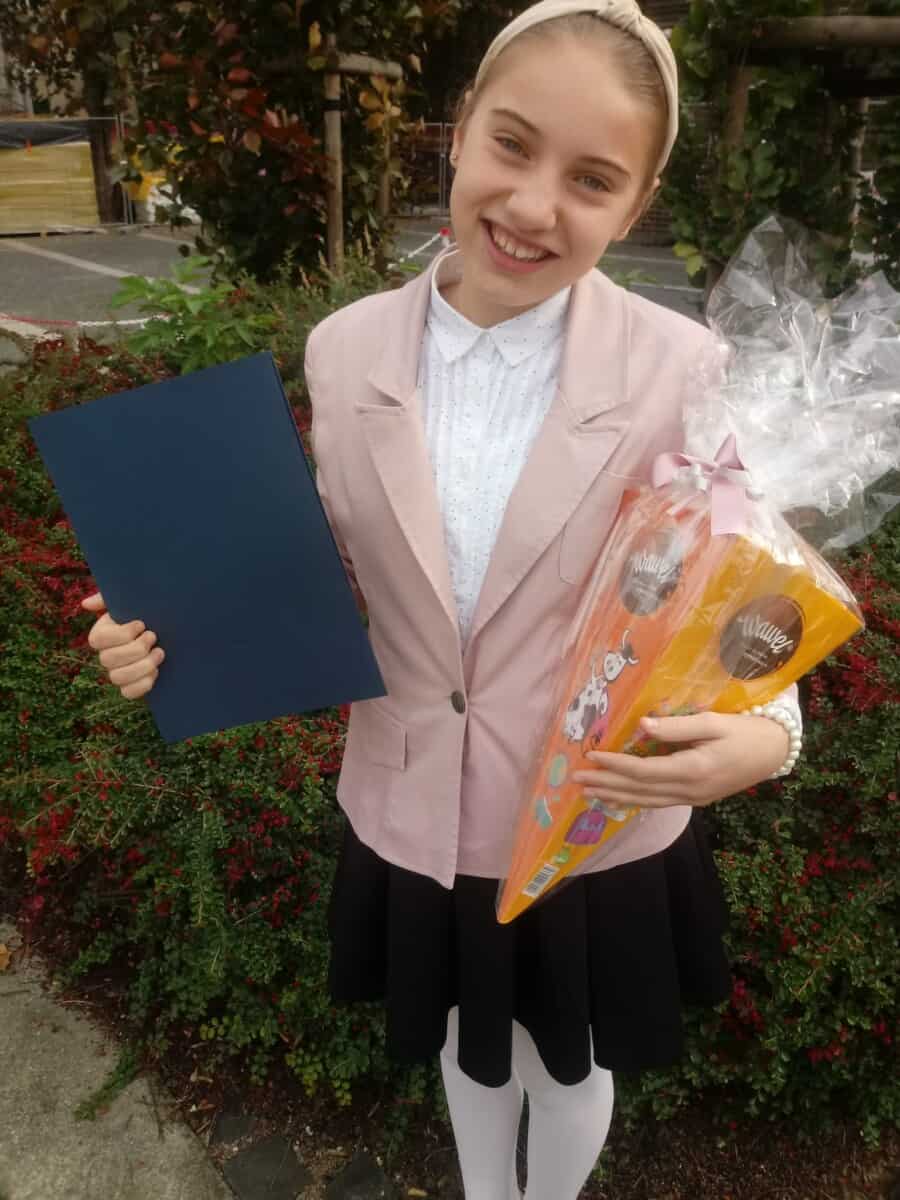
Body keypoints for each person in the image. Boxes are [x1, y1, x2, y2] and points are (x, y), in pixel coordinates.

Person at [80, 2, 803, 1196]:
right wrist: (162, 626)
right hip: (413, 793)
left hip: (585, 810)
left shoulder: (684, 367)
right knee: (472, 1047)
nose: (533, 205)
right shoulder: (344, 349)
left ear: (636, 203)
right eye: (511, 145)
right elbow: (312, 560)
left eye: (592, 179)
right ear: (460, 132)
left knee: (565, 1063)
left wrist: (768, 733)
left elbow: (752, 593)